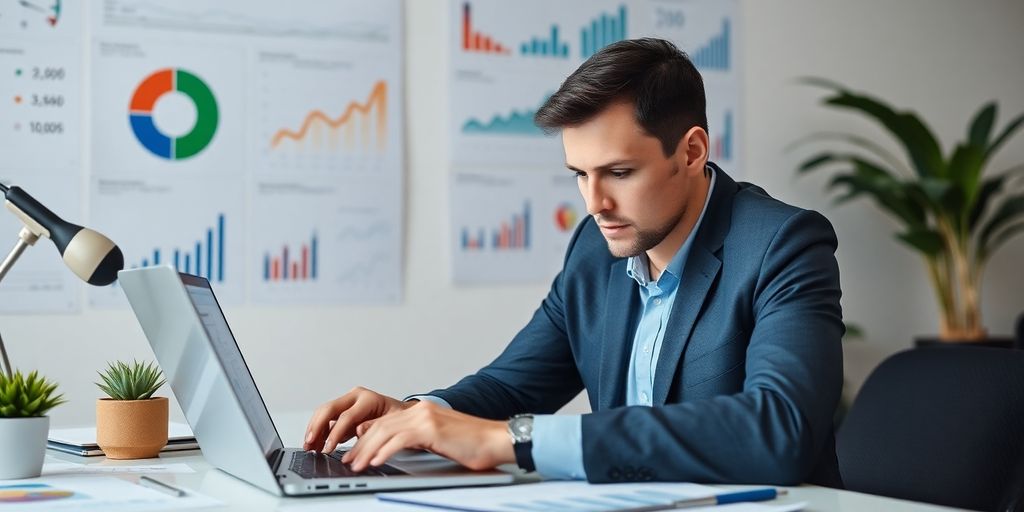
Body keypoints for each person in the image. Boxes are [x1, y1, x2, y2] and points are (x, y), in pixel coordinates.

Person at [304, 37, 844, 486]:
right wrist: (421, 414)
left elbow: (780, 430)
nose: (594, 203)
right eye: (579, 174)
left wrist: (513, 441)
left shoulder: (782, 244)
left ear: (691, 151)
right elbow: (514, 386)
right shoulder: (595, 246)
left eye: (620, 172)